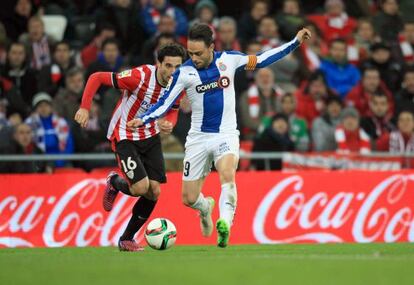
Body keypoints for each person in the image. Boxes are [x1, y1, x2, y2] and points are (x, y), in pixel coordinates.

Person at [127, 23, 311, 247]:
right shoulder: (184, 72)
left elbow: (262, 59)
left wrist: (295, 42)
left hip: (225, 134)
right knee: (189, 199)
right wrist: (144, 118)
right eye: (190, 53)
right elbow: (163, 103)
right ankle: (205, 208)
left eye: (198, 53)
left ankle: (224, 224)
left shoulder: (229, 60)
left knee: (227, 174)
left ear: (211, 47)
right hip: (198, 138)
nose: (193, 57)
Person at [74, 44, 186, 252]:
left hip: (151, 136)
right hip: (125, 135)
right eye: (168, 66)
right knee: (140, 188)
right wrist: (85, 107)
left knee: (154, 191)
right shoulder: (140, 76)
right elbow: (97, 77)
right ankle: (115, 182)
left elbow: (174, 110)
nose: (172, 72)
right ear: (158, 63)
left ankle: (126, 239)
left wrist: (170, 122)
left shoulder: (179, 82)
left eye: (177, 67)